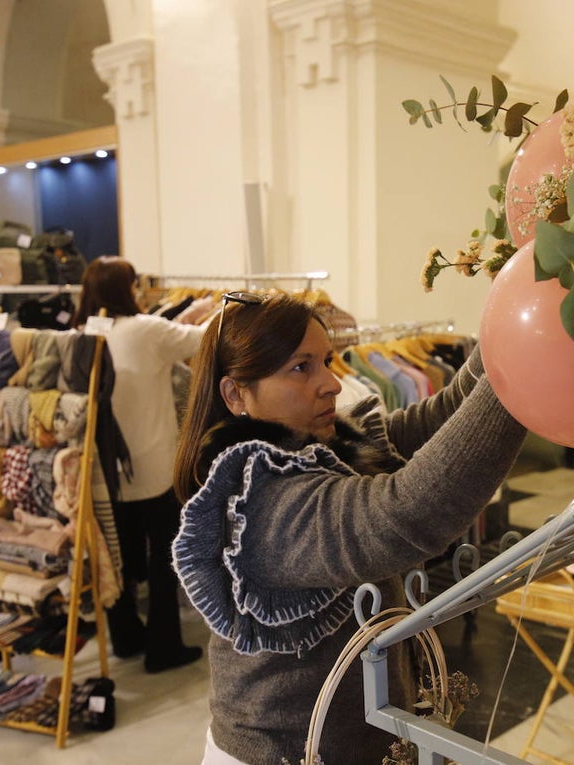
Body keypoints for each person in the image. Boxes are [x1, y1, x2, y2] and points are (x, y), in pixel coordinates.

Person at [171, 292, 527, 764]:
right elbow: (405, 514)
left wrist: (516, 320)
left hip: (353, 741)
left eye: (326, 361)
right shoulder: (256, 504)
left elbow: (440, 417)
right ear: (236, 394)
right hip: (281, 753)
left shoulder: (329, 445)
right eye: (302, 368)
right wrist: (526, 371)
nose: (332, 384)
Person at [72, 256, 207, 673]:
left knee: (117, 555)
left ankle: (126, 636)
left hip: (104, 470)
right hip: (153, 466)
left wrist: (186, 312)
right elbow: (201, 340)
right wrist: (213, 310)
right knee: (163, 558)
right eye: (133, 286)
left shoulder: (80, 335)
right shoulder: (147, 331)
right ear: (123, 289)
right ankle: (163, 646)